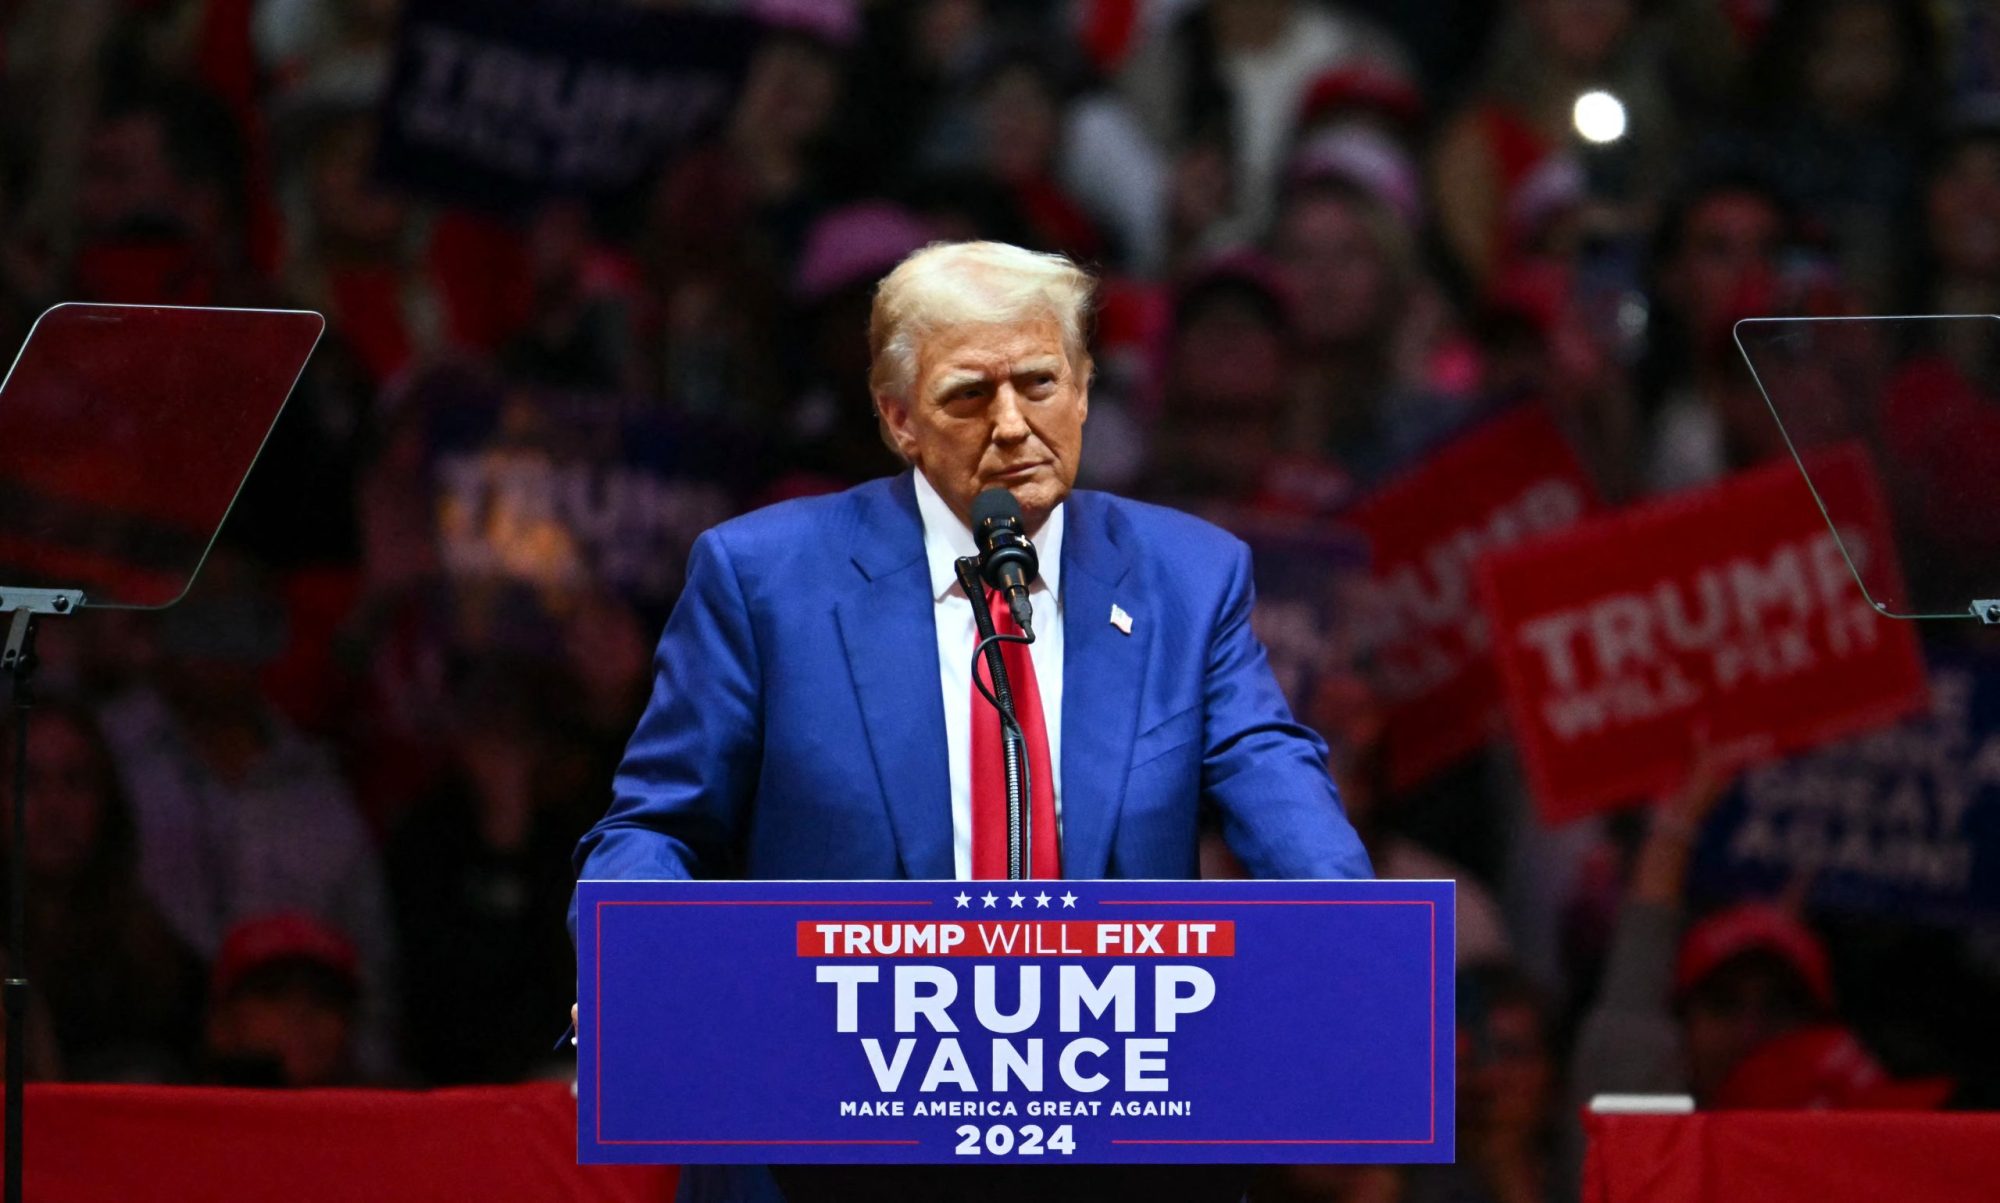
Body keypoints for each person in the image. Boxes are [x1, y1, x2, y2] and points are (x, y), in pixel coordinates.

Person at [571, 240, 1372, 1202]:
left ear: (1083, 392)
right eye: (966, 395)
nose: (1011, 425)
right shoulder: (765, 579)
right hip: (829, 1152)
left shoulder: (1188, 580)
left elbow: (1273, 776)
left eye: (1040, 383)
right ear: (898, 416)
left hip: (1119, 1147)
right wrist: (641, 951)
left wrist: (1347, 932)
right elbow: (656, 824)